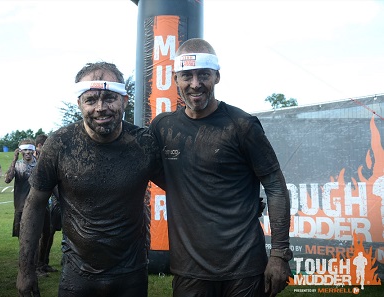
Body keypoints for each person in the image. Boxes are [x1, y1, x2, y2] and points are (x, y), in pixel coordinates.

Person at [150, 38, 292, 297]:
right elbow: (150, 170)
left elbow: (276, 187)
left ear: (216, 77)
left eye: (203, 74)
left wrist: (280, 254)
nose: (195, 84)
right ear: (175, 79)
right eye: (187, 76)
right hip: (189, 269)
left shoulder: (242, 125)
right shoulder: (163, 128)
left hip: (244, 267)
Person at [16, 61, 165, 297]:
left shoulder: (143, 144)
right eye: (91, 100)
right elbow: (34, 204)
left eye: (109, 98)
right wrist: (26, 270)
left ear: (124, 100)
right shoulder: (61, 144)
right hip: (77, 276)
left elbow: (184, 188)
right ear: (79, 104)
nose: (100, 107)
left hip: (131, 275)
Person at [33, 133, 59, 276]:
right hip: (37, 206)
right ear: (40, 146)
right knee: (40, 235)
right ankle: (36, 266)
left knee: (49, 233)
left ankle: (44, 263)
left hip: (48, 205)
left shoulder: (45, 160)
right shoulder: (35, 162)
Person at [5, 139, 37, 238]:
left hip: (38, 206)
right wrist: (14, 159)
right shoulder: (17, 165)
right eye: (25, 149)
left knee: (38, 235)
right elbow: (7, 179)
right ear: (20, 151)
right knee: (22, 236)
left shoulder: (39, 164)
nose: (27, 152)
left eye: (30, 149)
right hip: (21, 206)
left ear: (33, 150)